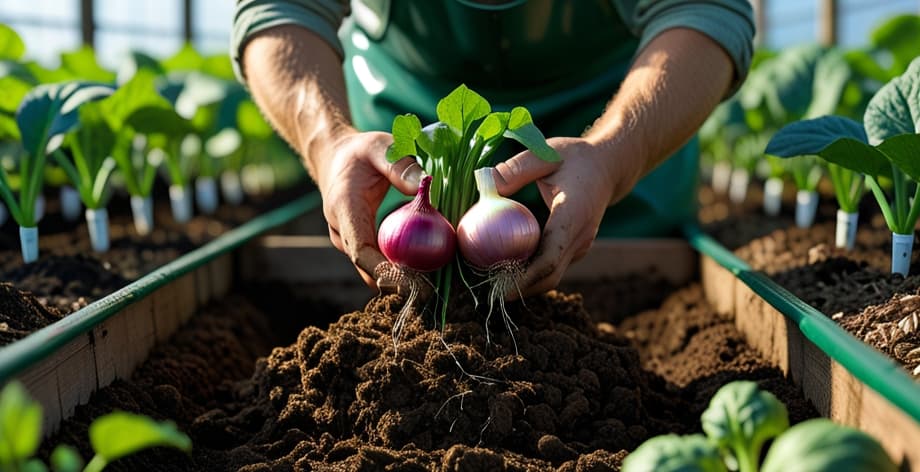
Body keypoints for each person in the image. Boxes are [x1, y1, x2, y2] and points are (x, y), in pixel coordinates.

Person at [231, 0, 754, 296]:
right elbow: (280, 9)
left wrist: (615, 154)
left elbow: (705, 9)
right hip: (405, 145)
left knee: (635, 296)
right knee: (413, 277)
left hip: (616, 125)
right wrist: (329, 143)